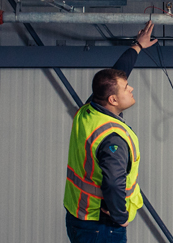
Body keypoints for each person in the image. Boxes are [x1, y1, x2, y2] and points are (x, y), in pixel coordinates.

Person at [64, 21, 157, 243]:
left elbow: (117, 73)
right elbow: (114, 183)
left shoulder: (88, 112)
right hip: (101, 226)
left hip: (78, 216)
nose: (131, 88)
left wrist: (138, 46)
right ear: (113, 100)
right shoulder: (112, 137)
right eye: (126, 88)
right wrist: (120, 216)